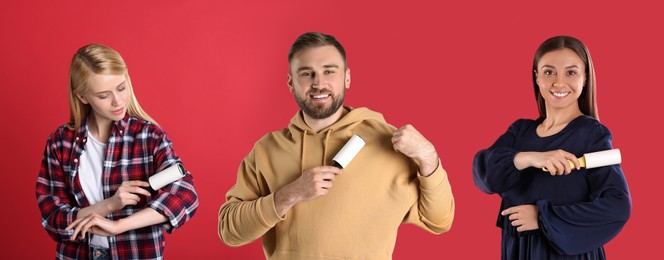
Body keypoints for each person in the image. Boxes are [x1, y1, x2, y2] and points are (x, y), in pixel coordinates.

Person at [218, 32, 455, 259]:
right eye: (306, 73)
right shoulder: (267, 150)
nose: (319, 83)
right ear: (291, 82)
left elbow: (439, 221)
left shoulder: (389, 143)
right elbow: (229, 231)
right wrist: (288, 195)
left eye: (329, 71)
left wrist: (428, 157)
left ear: (347, 77)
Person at [473, 36, 631, 259]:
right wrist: (529, 158)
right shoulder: (520, 132)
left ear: (585, 78)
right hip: (518, 252)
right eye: (549, 72)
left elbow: (617, 207)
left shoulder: (592, 135)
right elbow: (484, 175)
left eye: (571, 72)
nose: (558, 82)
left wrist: (542, 217)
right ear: (536, 77)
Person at [36, 44, 199, 259]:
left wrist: (119, 225)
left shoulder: (148, 137)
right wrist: (110, 204)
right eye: (103, 95)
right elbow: (53, 218)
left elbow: (185, 195)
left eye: (121, 88)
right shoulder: (60, 143)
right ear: (83, 97)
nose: (118, 101)